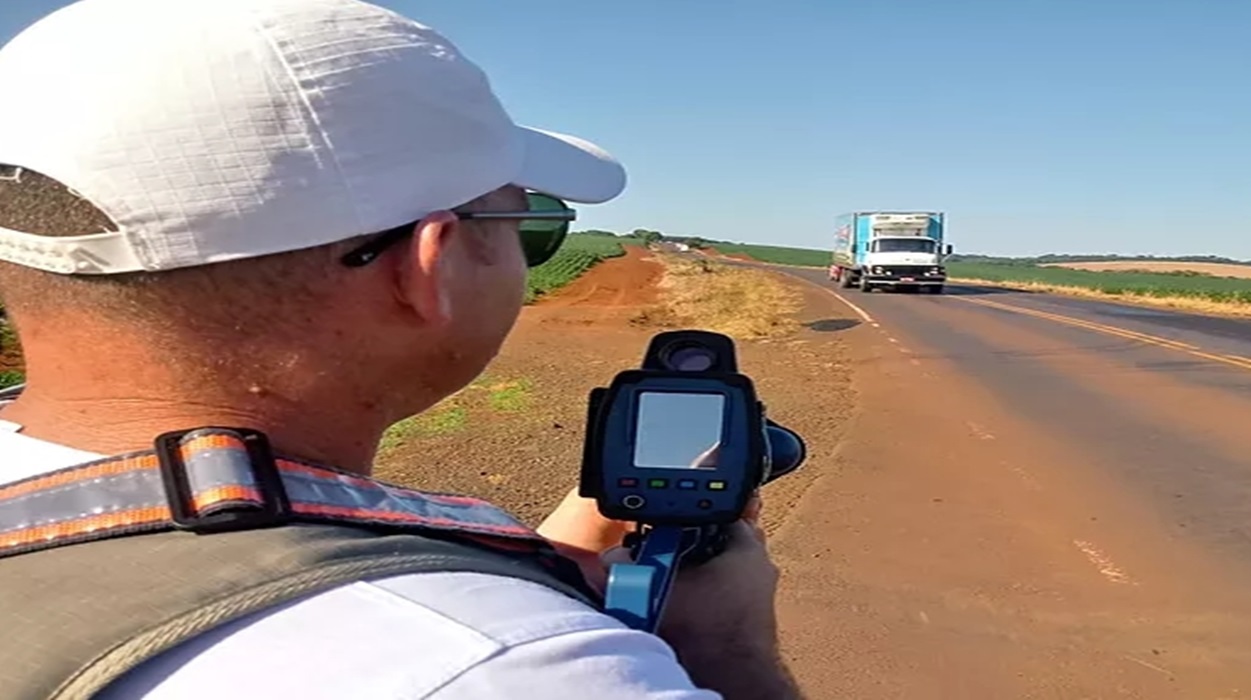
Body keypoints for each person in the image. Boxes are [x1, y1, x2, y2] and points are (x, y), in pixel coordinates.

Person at [0, 0, 800, 698]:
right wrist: (723, 647)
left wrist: (544, 563)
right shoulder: (500, 667)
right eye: (529, 226)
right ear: (433, 265)